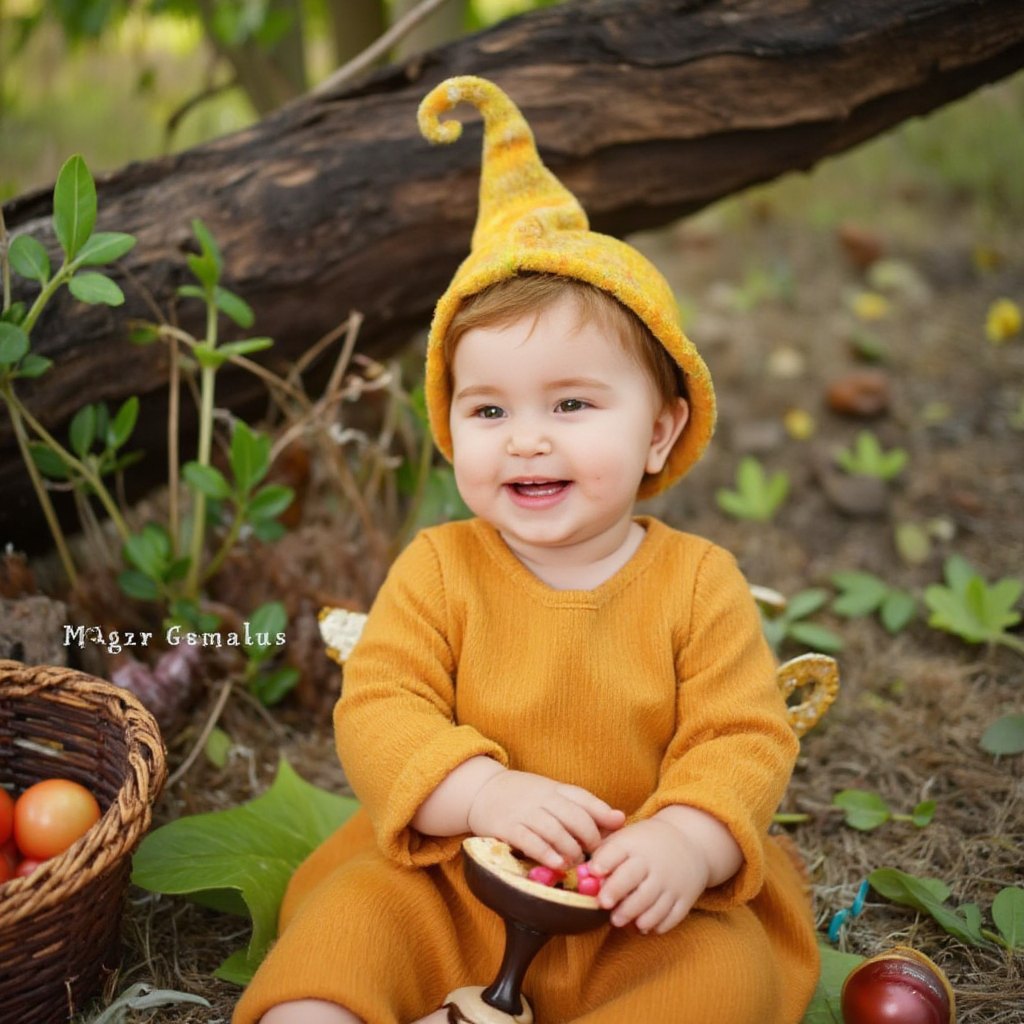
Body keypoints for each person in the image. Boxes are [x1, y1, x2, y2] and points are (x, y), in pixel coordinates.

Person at [233, 75, 820, 1024]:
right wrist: (479, 792)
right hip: (456, 882)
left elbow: (742, 737)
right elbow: (383, 704)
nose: (528, 438)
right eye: (490, 409)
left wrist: (686, 839)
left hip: (631, 904)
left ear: (662, 433)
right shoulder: (438, 568)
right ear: (451, 426)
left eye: (573, 404)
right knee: (352, 925)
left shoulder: (697, 583)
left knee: (724, 982)